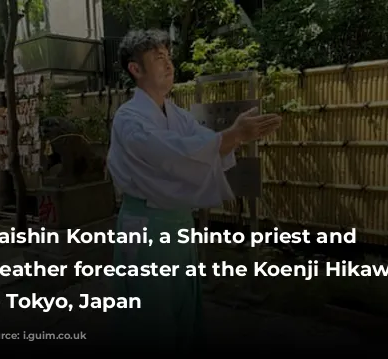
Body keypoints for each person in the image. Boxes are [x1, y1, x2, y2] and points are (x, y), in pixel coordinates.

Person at [106, 29, 282, 352]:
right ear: (135, 69)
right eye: (158, 58)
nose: (169, 64)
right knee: (149, 317)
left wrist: (233, 136)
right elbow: (172, 153)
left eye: (169, 56)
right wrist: (232, 136)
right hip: (145, 225)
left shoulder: (178, 115)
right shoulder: (128, 119)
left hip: (177, 224)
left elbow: (201, 142)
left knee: (182, 308)